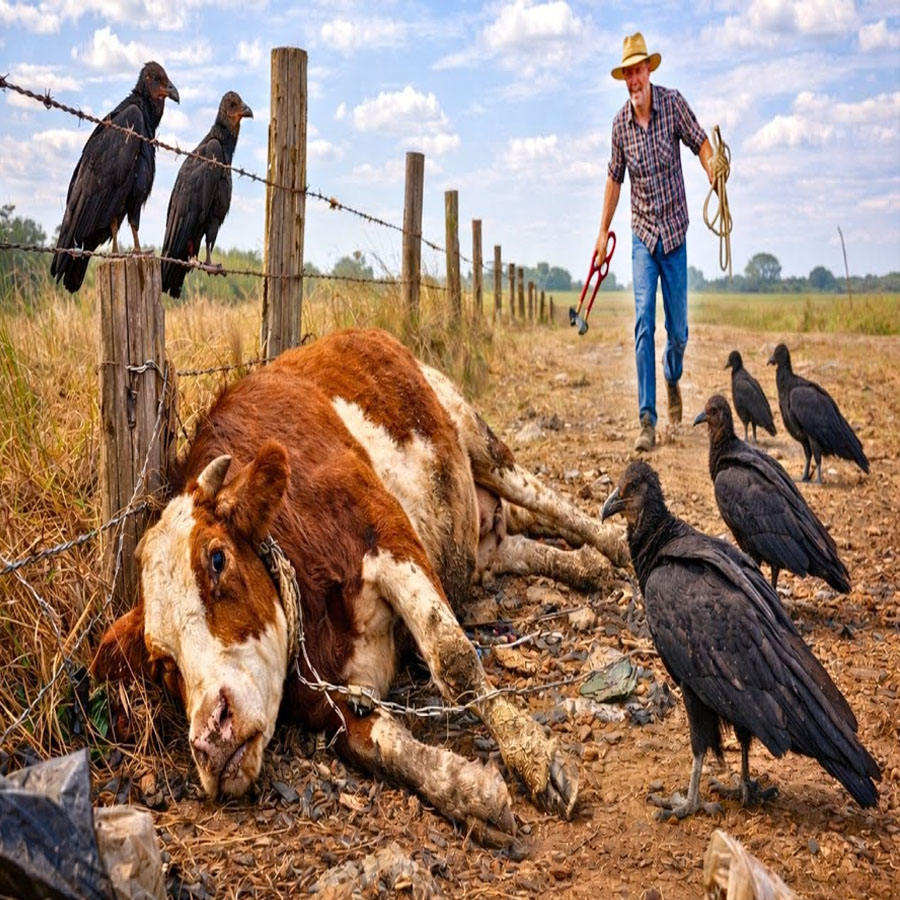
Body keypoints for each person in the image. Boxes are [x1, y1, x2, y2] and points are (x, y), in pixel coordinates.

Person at [596, 33, 713, 452]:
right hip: (642, 236)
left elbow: (701, 142)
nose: (634, 79)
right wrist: (601, 231)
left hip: (676, 234)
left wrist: (713, 170)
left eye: (639, 70)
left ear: (650, 70)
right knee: (644, 321)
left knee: (678, 331)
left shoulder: (673, 103)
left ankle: (671, 374)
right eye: (628, 73)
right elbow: (614, 178)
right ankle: (647, 418)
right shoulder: (619, 127)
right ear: (624, 78)